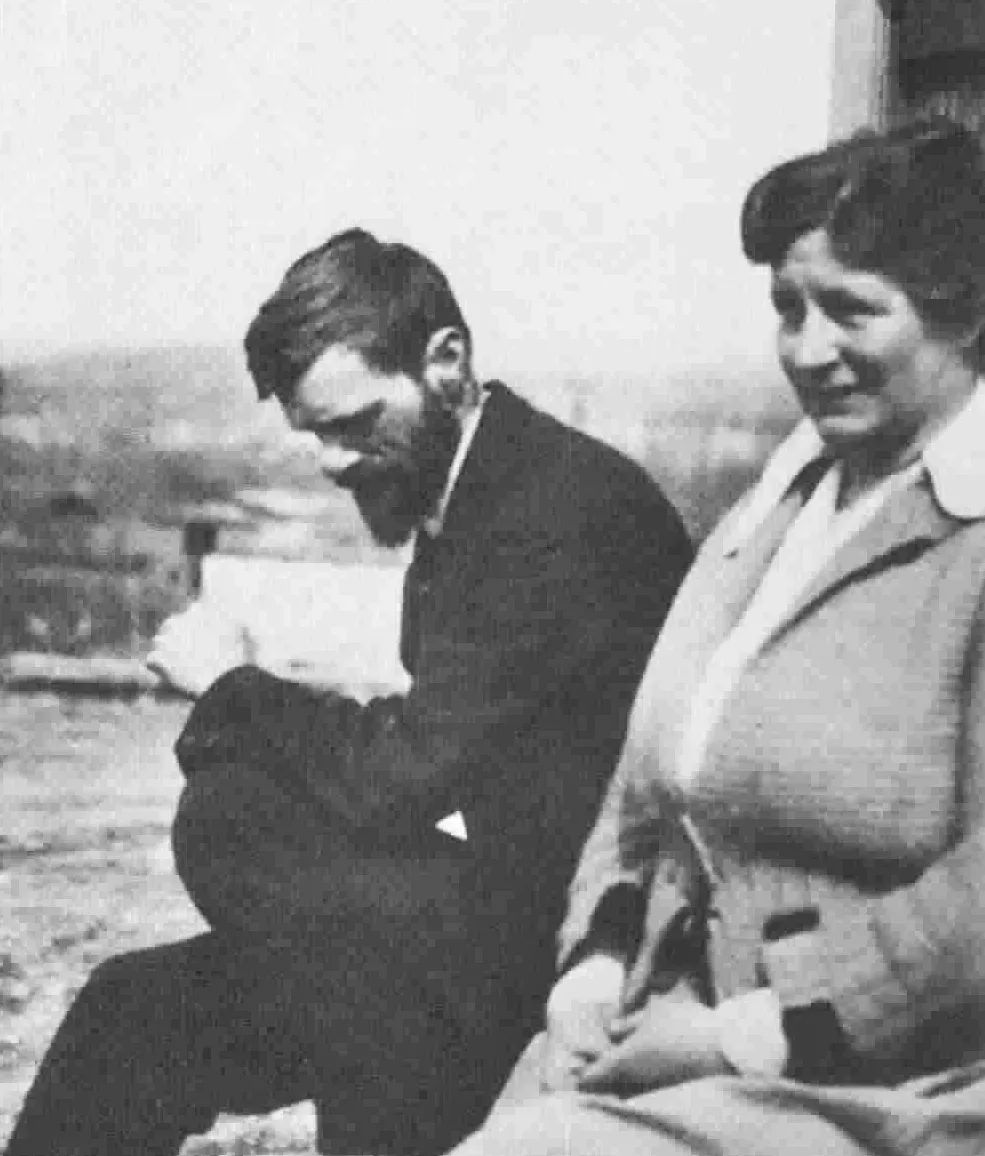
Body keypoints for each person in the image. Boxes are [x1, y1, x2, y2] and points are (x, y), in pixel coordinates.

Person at [5, 229, 692, 1156]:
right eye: (314, 435)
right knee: (132, 1010)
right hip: (483, 930)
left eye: (354, 423)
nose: (332, 460)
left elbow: (406, 774)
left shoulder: (555, 512)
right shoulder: (478, 490)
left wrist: (232, 686)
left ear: (445, 361)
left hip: (577, 949)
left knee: (239, 827)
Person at [443, 116, 985, 1156]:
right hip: (670, 1029)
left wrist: (746, 1035)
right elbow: (647, 784)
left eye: (851, 310)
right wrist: (595, 964)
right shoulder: (780, 507)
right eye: (787, 308)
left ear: (960, 314)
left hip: (897, 1088)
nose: (808, 350)